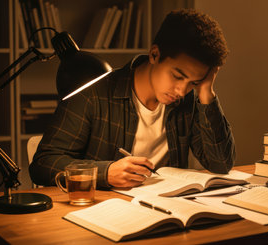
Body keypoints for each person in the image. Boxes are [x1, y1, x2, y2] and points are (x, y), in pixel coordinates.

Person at [29, 9, 235, 189]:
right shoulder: (93, 92)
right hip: (106, 212)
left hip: (168, 210)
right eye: (177, 76)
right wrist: (105, 173)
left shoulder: (188, 100)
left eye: (193, 82)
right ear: (155, 55)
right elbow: (43, 164)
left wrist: (206, 91)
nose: (181, 90)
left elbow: (221, 164)